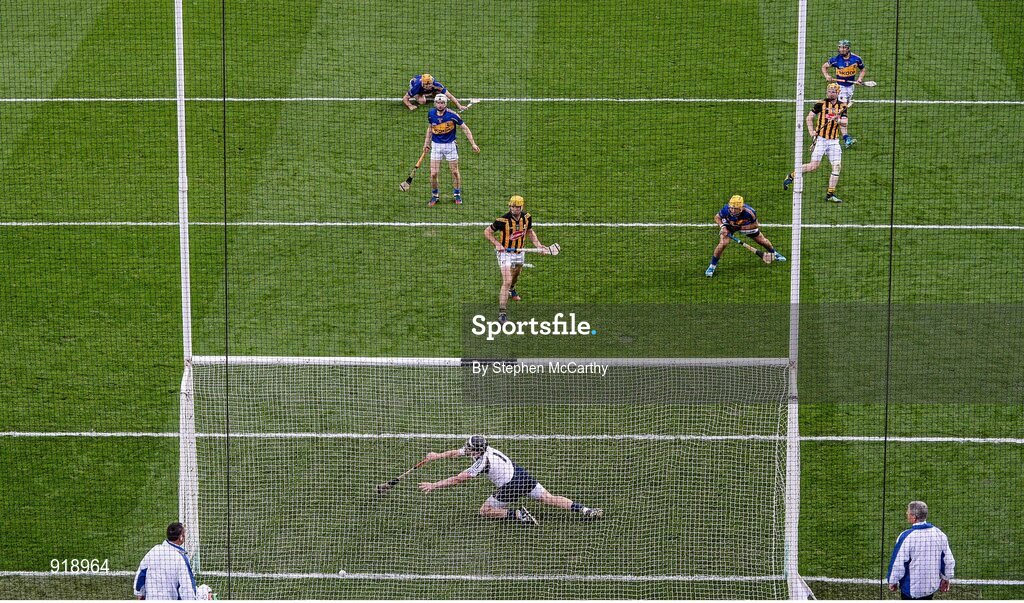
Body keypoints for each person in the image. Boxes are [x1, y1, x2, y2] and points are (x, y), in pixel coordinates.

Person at [418, 435, 603, 526]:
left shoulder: (482, 462)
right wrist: (437, 456)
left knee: (485, 511)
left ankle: (518, 515)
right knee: (549, 497)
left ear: (477, 451)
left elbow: (459, 479)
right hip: (520, 474)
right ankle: (585, 509)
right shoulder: (482, 450)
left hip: (511, 485)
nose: (465, 449)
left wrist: (434, 485)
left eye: (469, 448)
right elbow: (456, 453)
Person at [483, 195, 550, 323]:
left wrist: (539, 245)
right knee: (507, 280)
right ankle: (502, 313)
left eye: (517, 207)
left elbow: (529, 231)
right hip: (505, 253)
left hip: (520, 252)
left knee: (516, 274)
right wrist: (497, 244)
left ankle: (512, 289)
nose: (515, 209)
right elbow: (487, 232)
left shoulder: (527, 217)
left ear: (521, 207)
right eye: (513, 207)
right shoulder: (502, 220)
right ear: (509, 206)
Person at [783, 83, 848, 203]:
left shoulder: (842, 106)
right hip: (821, 140)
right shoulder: (821, 104)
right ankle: (791, 175)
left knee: (837, 166)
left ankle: (830, 194)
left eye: (833, 91)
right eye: (829, 91)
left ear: (838, 93)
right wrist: (811, 131)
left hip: (834, 141)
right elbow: (809, 118)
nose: (830, 93)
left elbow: (845, 123)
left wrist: (837, 119)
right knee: (813, 166)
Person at [887, 501, 955, 600]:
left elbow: (898, 563)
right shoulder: (939, 534)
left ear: (914, 517)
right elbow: (948, 560)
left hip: (911, 591)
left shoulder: (906, 537)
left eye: (908, 512)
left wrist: (892, 581)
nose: (906, 514)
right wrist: (946, 578)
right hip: (930, 588)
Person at [705, 195, 785, 277]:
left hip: (746, 226)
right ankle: (712, 266)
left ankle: (774, 253)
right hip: (729, 226)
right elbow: (717, 217)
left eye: (735, 209)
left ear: (741, 207)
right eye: (731, 208)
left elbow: (755, 224)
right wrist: (722, 227)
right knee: (723, 244)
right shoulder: (726, 209)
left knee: (762, 240)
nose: (732, 210)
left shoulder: (749, 212)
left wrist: (743, 228)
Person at [423, 94, 480, 206]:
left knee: (454, 171)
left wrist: (473, 144)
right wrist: (426, 143)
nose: (440, 105)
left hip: (450, 146)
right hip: (436, 146)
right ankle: (435, 196)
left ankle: (457, 194)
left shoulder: (453, 115)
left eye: (442, 103)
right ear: (435, 103)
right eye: (438, 103)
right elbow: (430, 128)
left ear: (446, 103)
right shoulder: (431, 114)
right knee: (433, 173)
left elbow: (465, 128)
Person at [133, 522, 196, 600]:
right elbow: (186, 587)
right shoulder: (180, 558)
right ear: (180, 537)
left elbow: (141, 574)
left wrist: (139, 593)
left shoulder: (154, 550)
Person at [820, 39, 865, 147]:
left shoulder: (856, 59)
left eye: (844, 47)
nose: (842, 49)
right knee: (843, 112)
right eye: (840, 47)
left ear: (848, 48)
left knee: (841, 112)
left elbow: (863, 69)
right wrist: (827, 76)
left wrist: (859, 79)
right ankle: (845, 138)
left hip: (850, 87)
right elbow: (824, 67)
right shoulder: (835, 60)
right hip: (840, 88)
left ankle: (830, 123)